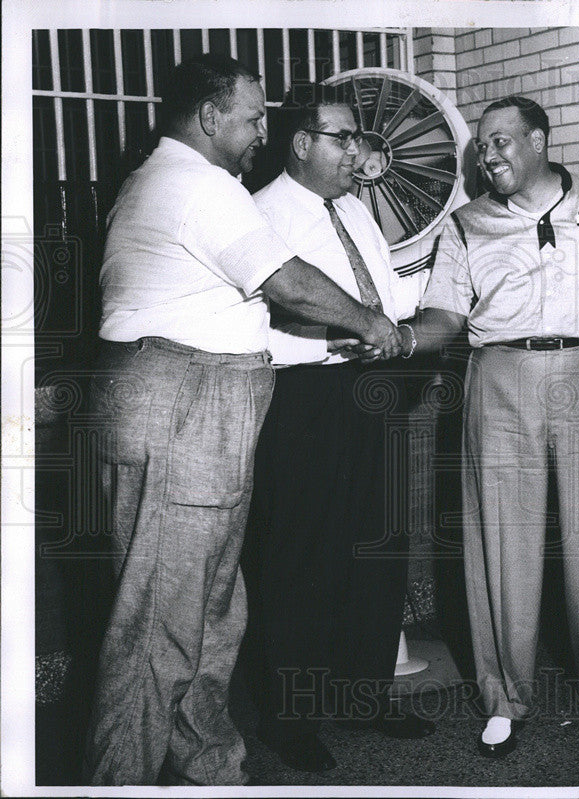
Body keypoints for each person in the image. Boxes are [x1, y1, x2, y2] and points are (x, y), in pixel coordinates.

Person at [85, 54, 402, 786]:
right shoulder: (198, 186)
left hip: (201, 407)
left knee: (210, 612)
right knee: (155, 630)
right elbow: (287, 280)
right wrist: (369, 324)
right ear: (210, 118)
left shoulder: (170, 179)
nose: (265, 128)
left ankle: (207, 766)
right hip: (182, 404)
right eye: (255, 116)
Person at [404, 96, 579, 757]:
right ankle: (505, 695)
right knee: (502, 543)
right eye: (482, 145)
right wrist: (399, 337)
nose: (489, 153)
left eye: (501, 140)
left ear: (539, 140)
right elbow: (445, 313)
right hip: (500, 376)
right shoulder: (466, 223)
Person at [243, 85, 434, 774]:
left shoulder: (354, 209)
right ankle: (291, 714)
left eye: (358, 138)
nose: (359, 150)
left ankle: (367, 692)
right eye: (344, 137)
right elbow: (285, 303)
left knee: (376, 547)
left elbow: (383, 291)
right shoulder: (262, 213)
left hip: (372, 390)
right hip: (305, 396)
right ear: (302, 143)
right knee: (302, 557)